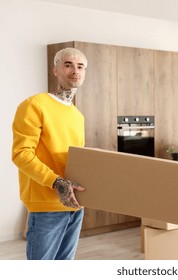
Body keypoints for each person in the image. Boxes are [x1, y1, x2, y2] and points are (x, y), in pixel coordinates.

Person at [12, 47, 88, 260]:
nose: (75, 70)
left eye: (80, 66)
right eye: (68, 65)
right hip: (46, 206)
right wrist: (57, 183)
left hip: (75, 204)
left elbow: (78, 160)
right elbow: (21, 154)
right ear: (56, 70)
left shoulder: (77, 115)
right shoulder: (34, 105)